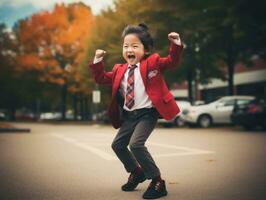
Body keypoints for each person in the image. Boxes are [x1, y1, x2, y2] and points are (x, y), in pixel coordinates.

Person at [90, 23, 183, 199]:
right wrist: (97, 60)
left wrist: (176, 44)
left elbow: (172, 61)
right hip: (130, 116)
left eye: (134, 46)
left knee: (136, 144)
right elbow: (101, 78)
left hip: (147, 114)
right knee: (117, 145)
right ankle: (137, 171)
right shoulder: (119, 70)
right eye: (126, 46)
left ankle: (157, 181)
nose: (129, 50)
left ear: (145, 49)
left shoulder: (152, 63)